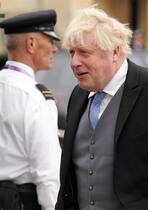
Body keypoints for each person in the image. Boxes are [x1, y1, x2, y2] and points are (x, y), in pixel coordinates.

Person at [56, 7, 148, 210]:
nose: (74, 62)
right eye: (72, 53)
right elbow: (69, 179)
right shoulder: (78, 95)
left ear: (115, 52)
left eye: (84, 53)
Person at [0, 10, 61, 210]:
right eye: (51, 41)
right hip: (22, 201)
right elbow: (47, 173)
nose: (55, 49)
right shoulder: (35, 98)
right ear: (31, 44)